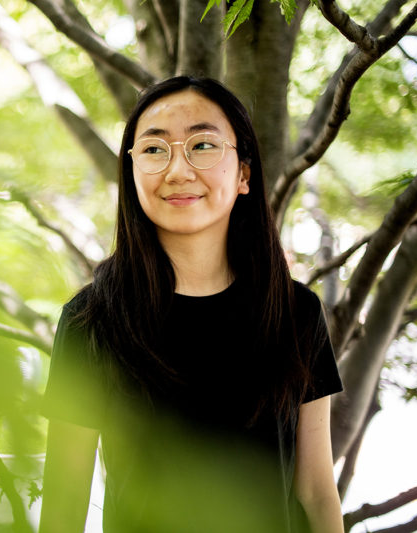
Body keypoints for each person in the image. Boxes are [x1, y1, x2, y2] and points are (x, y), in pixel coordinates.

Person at [39, 76, 344, 533]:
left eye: (202, 146)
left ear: (243, 173)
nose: (178, 170)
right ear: (132, 172)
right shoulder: (92, 320)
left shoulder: (295, 312)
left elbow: (317, 492)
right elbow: (64, 503)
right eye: (155, 150)